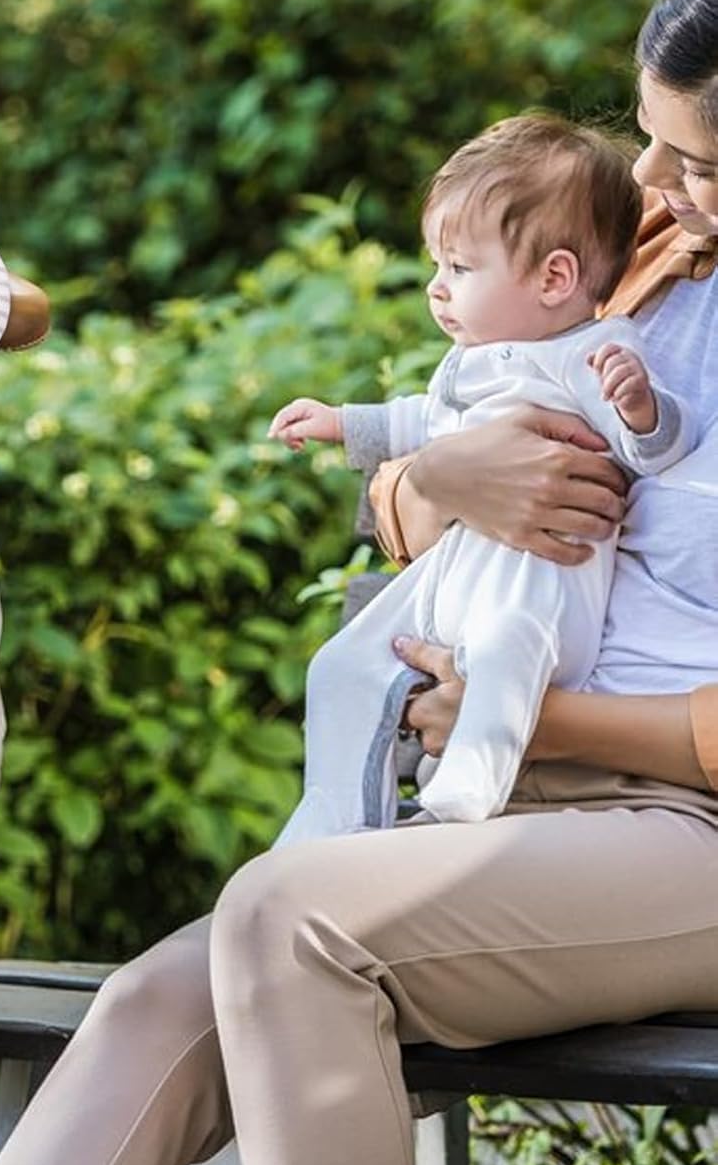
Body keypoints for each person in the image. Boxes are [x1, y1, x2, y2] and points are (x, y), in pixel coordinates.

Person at [0, 0, 718, 1165]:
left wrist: (541, 723)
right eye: (651, 140)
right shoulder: (649, 255)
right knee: (158, 1003)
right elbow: (435, 476)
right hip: (508, 796)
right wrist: (441, 478)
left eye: (693, 159)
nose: (650, 179)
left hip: (676, 824)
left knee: (284, 922)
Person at [268, 115, 690, 842]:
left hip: (540, 583)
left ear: (555, 278)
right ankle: (332, 810)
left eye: (459, 269)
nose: (437, 290)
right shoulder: (476, 360)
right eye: (438, 266)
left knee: (503, 649)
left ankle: (466, 794)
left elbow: (650, 450)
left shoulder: (595, 351)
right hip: (461, 570)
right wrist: (341, 422)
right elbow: (423, 421)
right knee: (341, 665)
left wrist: (641, 410)